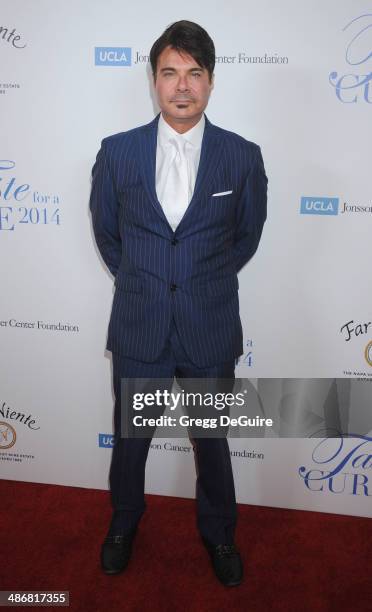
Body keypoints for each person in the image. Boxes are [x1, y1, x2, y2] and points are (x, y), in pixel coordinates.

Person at [89, 19, 268, 587]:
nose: (182, 86)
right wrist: (146, 281)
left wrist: (198, 282)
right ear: (154, 80)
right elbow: (108, 235)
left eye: (194, 73)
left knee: (212, 444)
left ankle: (220, 534)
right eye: (170, 73)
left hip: (209, 326)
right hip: (140, 325)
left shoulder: (241, 157)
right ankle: (123, 523)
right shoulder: (116, 153)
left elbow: (246, 237)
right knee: (130, 441)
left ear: (211, 82)